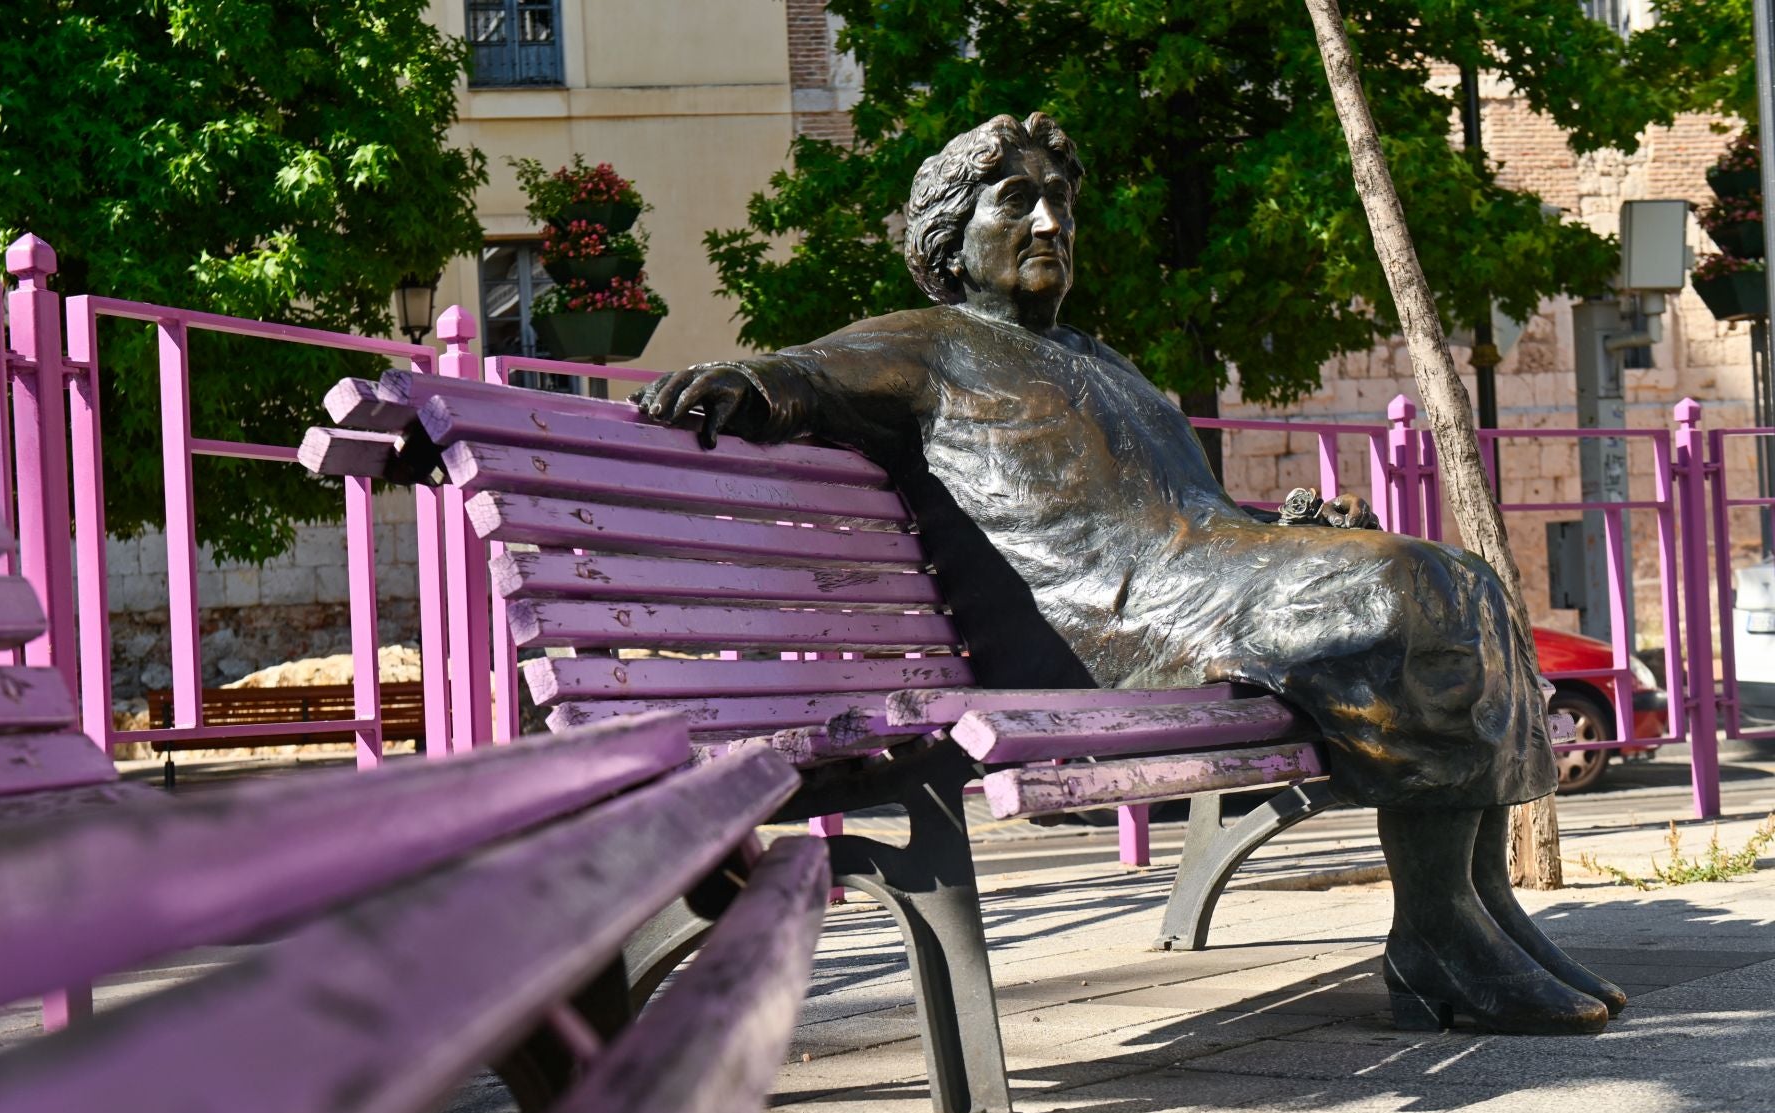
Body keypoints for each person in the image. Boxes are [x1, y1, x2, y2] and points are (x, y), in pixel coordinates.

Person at [638, 112, 1618, 1035]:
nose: (1049, 220)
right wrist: (747, 383)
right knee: (1407, 588)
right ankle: (1438, 935)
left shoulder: (1101, 360)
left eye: (1059, 202)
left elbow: (1196, 509)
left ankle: (1479, 909)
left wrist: (1290, 526)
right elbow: (809, 373)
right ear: (950, 234)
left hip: (1191, 580)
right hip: (1102, 625)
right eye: (1014, 201)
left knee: (1463, 578)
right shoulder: (923, 340)